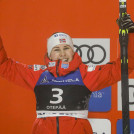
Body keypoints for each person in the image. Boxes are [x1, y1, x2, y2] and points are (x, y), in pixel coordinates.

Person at [0, 14, 134, 134]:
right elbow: (4, 66)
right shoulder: (38, 74)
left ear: (73, 51)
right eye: (56, 49)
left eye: (66, 48)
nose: (62, 53)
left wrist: (131, 34)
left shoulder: (85, 73)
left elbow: (125, 66)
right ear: (49, 55)